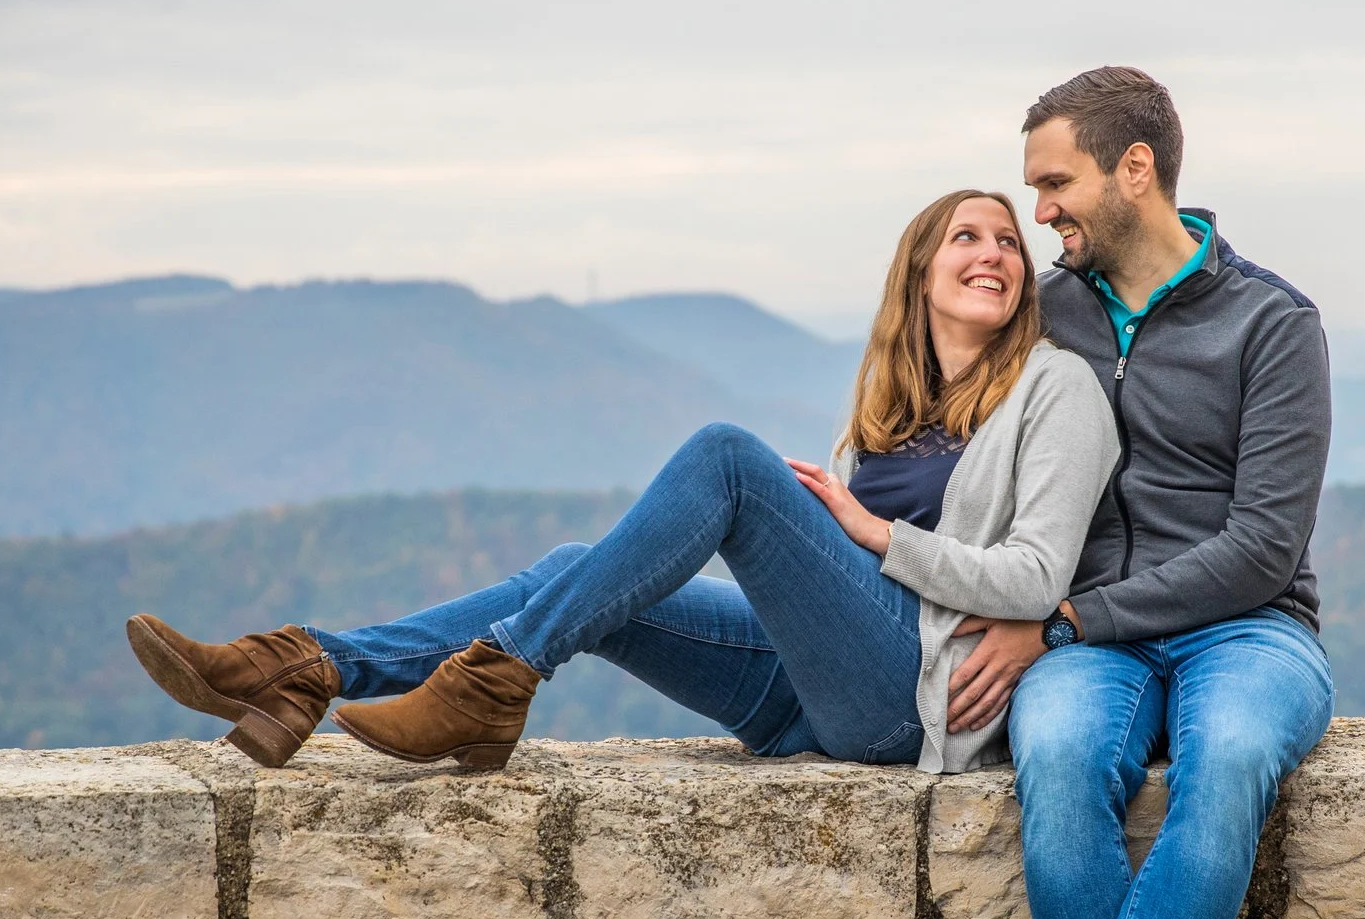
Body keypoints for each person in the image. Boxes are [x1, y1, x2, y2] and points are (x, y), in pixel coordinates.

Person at [124, 189, 1118, 780]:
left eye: (1006, 242)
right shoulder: (888, 412)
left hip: (913, 697)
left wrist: (870, 532)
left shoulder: (1054, 388)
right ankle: (307, 668)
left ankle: (490, 683)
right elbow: (822, 593)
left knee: (728, 456)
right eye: (966, 236)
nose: (992, 251)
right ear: (920, 271)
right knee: (576, 570)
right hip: (801, 696)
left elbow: (1033, 577)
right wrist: (853, 527)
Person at [953, 68, 1335, 919]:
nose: (1041, 212)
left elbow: (1261, 546)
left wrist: (1066, 619)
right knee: (1058, 757)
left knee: (1224, 762)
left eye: (1055, 183)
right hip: (1082, 637)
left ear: (1136, 169)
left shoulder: (1273, 324)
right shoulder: (1049, 314)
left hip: (1248, 626)